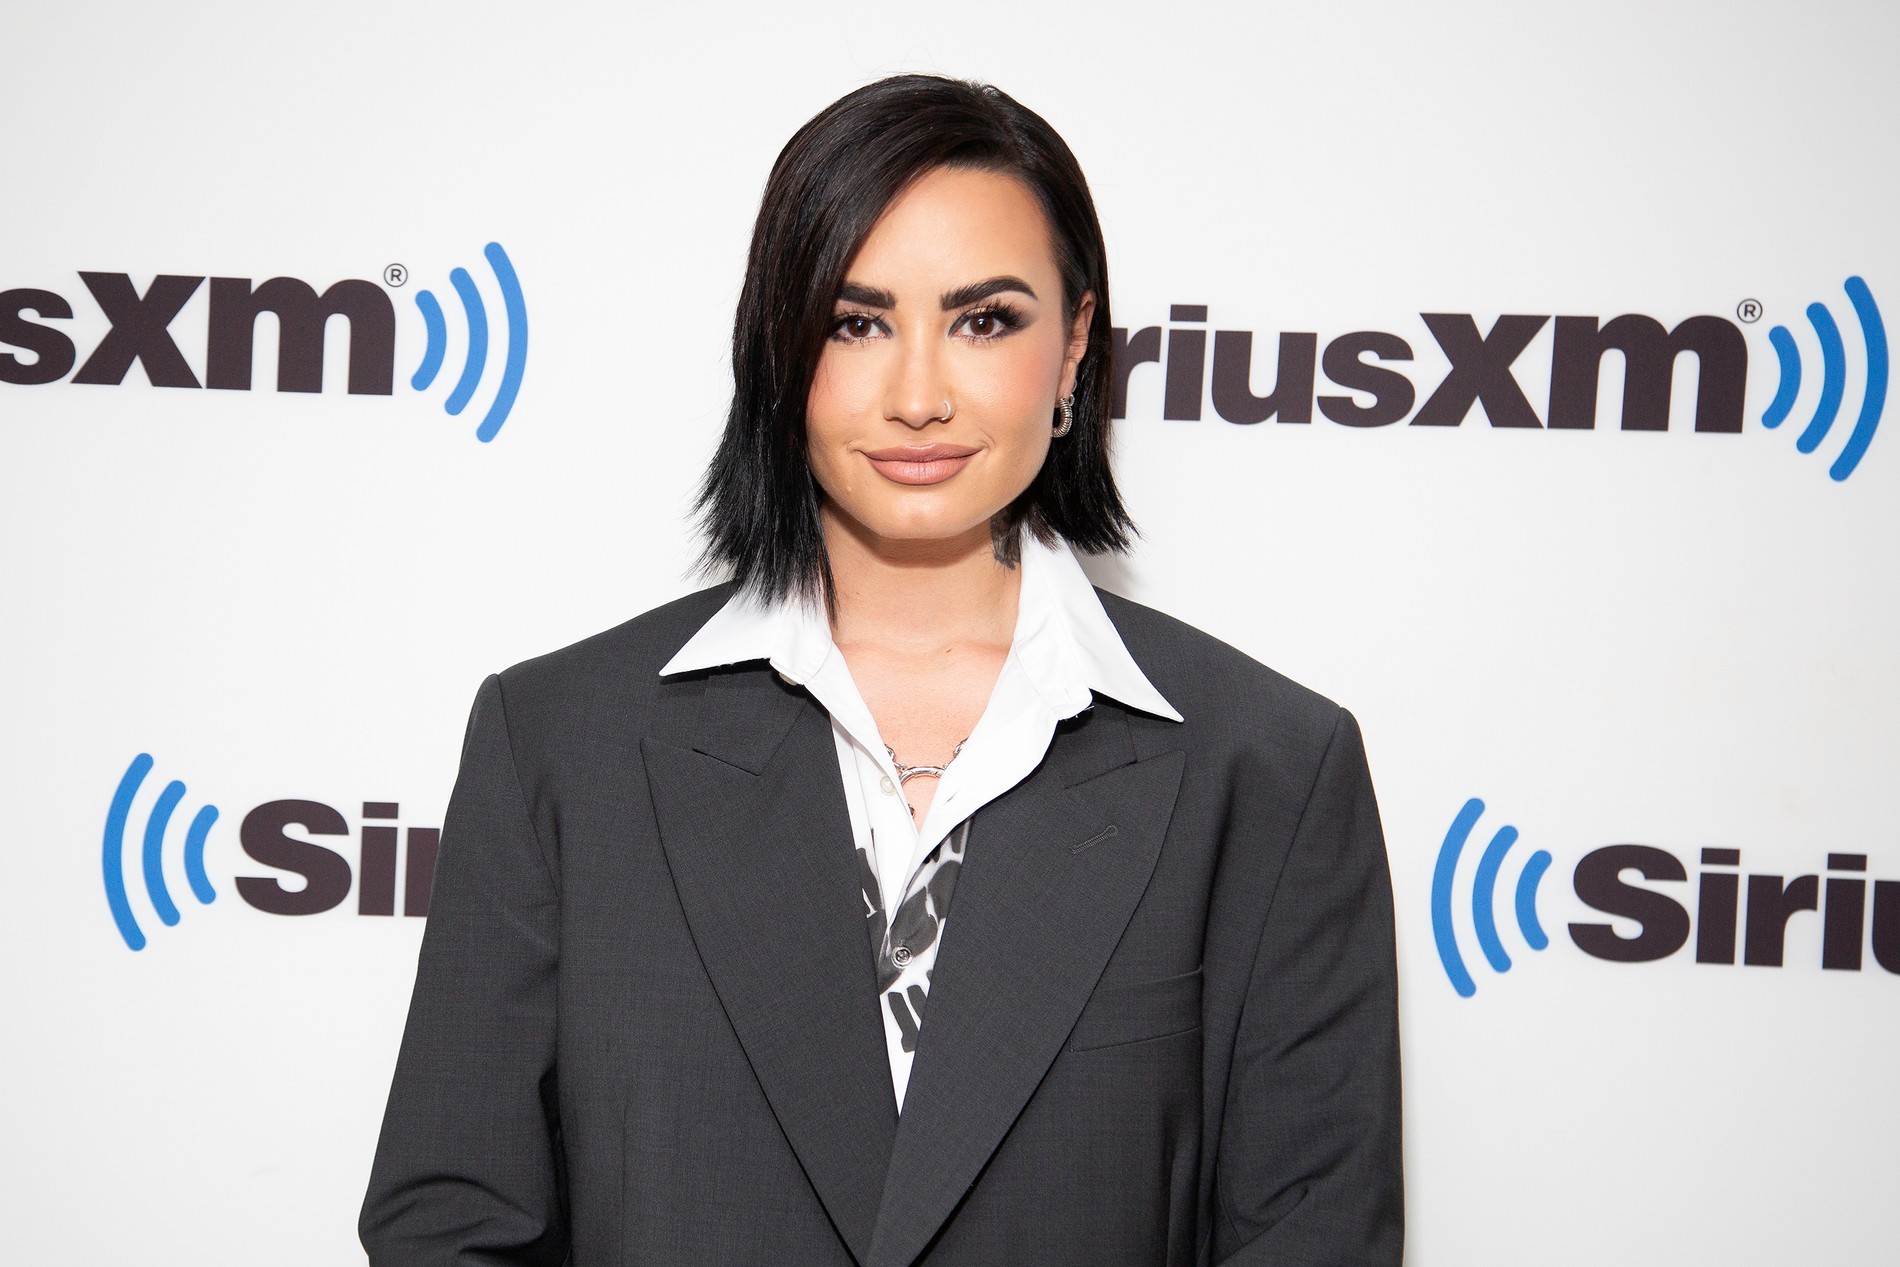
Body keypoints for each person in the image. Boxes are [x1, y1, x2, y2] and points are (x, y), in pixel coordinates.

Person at [360, 74, 1401, 1266]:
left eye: (984, 321)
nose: (917, 397)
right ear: (778, 345)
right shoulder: (558, 743)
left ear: (1074, 345)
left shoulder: (1266, 769)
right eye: (856, 323)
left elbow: (1313, 1235)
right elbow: (453, 1222)